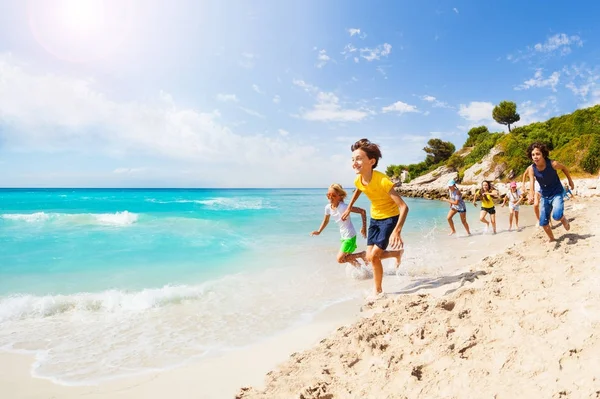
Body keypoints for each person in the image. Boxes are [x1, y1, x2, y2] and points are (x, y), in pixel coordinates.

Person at [340, 138, 409, 297]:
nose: (354, 162)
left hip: (390, 218)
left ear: (371, 161)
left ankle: (377, 290)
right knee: (371, 257)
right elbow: (359, 188)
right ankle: (396, 254)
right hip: (374, 219)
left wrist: (396, 231)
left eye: (358, 158)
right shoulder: (358, 179)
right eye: (352, 159)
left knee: (372, 256)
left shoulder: (383, 180)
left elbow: (404, 207)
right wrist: (349, 207)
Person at [526, 142, 574, 242]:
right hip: (545, 195)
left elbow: (564, 168)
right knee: (543, 222)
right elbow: (531, 182)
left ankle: (563, 218)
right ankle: (552, 239)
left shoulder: (553, 164)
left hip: (556, 192)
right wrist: (531, 194)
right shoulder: (532, 169)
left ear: (543, 154)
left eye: (538, 154)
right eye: (533, 155)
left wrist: (570, 180)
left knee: (556, 216)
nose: (535, 157)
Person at [311, 183, 368, 267]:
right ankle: (362, 271)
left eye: (333, 195)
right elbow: (326, 220)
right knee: (346, 258)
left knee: (340, 259)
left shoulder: (344, 207)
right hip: (343, 237)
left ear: (340, 196)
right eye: (328, 195)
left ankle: (362, 254)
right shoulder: (328, 207)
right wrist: (319, 231)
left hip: (350, 236)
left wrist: (364, 228)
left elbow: (362, 211)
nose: (330, 197)